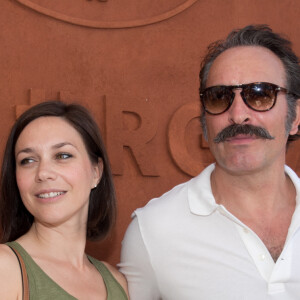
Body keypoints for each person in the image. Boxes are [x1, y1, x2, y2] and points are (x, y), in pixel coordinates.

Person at [119, 24, 300, 299]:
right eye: (219, 97)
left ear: (296, 117)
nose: (238, 115)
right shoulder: (154, 232)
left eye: (261, 94)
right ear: (204, 121)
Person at [0, 101, 129, 299]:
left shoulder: (116, 283)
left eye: (62, 155)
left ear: (96, 171)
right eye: (28, 160)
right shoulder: (5, 268)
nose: (43, 173)